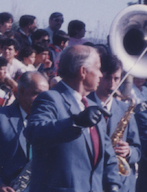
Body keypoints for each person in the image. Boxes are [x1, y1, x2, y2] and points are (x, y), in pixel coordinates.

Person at [25, 45, 122, 191]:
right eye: (98, 68)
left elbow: (108, 155)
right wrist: (75, 122)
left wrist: (113, 184)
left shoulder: (92, 106)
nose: (101, 75)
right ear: (83, 71)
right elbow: (34, 132)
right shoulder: (50, 98)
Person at [0, 71, 49, 192]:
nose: (42, 100)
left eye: (45, 95)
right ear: (21, 91)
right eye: (37, 94)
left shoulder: (49, 121)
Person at [88, 53, 140, 192]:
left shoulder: (125, 108)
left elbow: (138, 149)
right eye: (107, 78)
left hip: (121, 183)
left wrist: (129, 151)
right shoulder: (83, 104)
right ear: (98, 75)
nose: (112, 84)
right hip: (91, 182)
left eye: (116, 78)